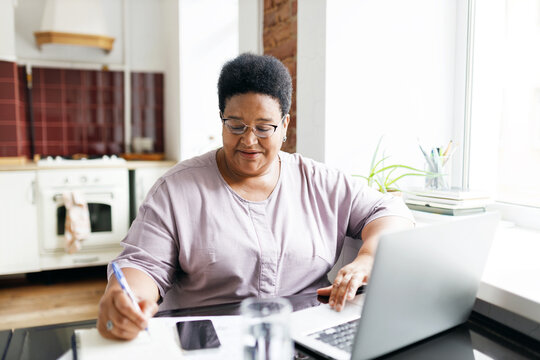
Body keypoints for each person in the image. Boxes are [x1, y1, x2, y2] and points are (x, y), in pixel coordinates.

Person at [97, 53, 414, 340]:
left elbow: (390, 211)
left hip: (302, 336)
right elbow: (142, 266)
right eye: (235, 125)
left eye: (264, 128)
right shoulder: (176, 189)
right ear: (221, 120)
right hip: (206, 341)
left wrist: (368, 259)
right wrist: (127, 300)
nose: (249, 141)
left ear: (285, 125)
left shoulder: (318, 180)